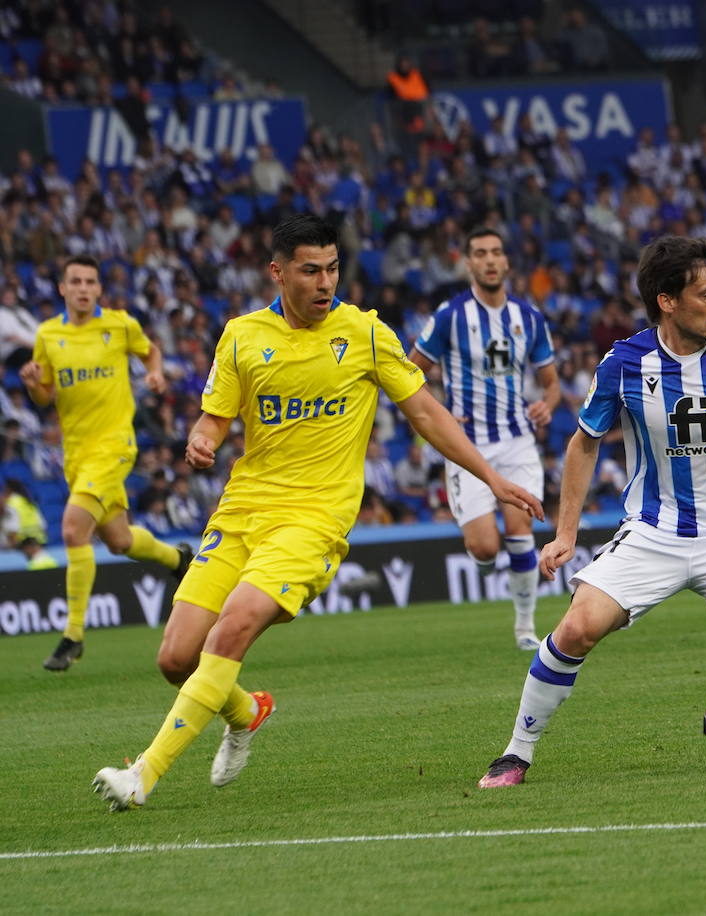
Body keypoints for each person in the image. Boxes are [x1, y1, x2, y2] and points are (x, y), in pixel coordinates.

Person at [90, 214, 543, 812]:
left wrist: (492, 477)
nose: (325, 281)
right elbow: (215, 417)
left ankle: (142, 775)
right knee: (176, 658)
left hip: (315, 518)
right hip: (244, 509)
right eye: (311, 270)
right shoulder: (242, 335)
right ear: (278, 272)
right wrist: (203, 439)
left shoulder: (365, 333)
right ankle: (248, 713)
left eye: (332, 268)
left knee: (233, 628)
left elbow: (427, 413)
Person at [477, 236, 706, 788]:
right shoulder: (624, 363)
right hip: (652, 533)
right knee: (576, 629)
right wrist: (565, 534)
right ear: (667, 301)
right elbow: (585, 443)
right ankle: (516, 753)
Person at [22, 255, 192, 672]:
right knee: (118, 540)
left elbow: (151, 351)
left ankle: (73, 635)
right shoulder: (48, 335)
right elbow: (46, 396)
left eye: (90, 282)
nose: (83, 288)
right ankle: (178, 560)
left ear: (99, 289)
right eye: (75, 281)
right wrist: (33, 386)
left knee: (72, 529)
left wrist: (154, 373)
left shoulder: (119, 325)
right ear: (62, 289)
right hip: (76, 454)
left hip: (115, 445)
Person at [409, 229, 559, 650]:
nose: (490, 260)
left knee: (520, 529)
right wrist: (438, 409)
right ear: (469, 264)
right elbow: (407, 372)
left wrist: (546, 403)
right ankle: (487, 560)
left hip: (517, 440)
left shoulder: (529, 318)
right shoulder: (450, 316)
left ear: (506, 262)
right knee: (484, 548)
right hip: (466, 444)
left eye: (496, 252)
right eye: (480, 254)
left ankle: (525, 627)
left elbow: (550, 383)